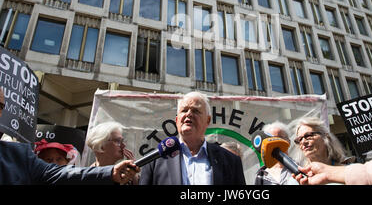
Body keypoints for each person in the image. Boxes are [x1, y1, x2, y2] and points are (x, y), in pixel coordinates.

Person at [0, 89, 139, 185]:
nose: (123, 145)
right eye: (117, 141)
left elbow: (56, 174)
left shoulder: (18, 155)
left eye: (1, 106)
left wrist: (110, 173)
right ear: (100, 146)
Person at [139, 91, 246, 185]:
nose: (189, 114)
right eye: (184, 110)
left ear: (207, 121)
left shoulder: (231, 161)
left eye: (195, 111)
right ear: (177, 120)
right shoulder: (154, 161)